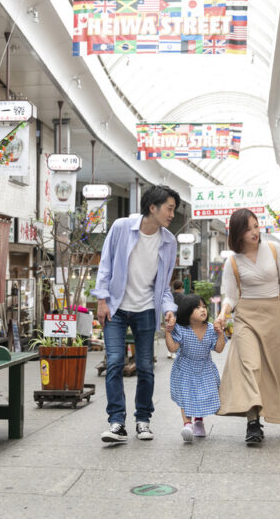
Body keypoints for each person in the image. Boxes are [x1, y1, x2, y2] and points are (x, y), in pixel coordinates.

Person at [91, 185, 180, 443]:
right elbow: (105, 264)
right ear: (152, 207)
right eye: (169, 208)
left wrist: (169, 309)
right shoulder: (121, 227)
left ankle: (143, 420)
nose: (172, 214)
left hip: (145, 310)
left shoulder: (169, 241)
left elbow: (163, 285)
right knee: (115, 361)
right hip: (116, 309)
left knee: (145, 367)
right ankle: (117, 422)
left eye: (174, 209)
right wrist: (102, 300)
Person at [214, 208, 280, 445]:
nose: (254, 232)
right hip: (245, 317)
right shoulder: (233, 262)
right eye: (248, 229)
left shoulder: (274, 250)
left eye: (256, 226)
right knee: (250, 366)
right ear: (238, 233)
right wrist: (223, 314)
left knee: (270, 370)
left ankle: (263, 415)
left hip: (273, 316)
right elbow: (231, 296)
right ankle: (253, 422)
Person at [165, 294, 226, 443]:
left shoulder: (211, 329)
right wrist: (168, 332)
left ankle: (198, 422)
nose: (202, 310)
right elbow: (172, 348)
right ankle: (187, 424)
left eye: (204, 307)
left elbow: (219, 349)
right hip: (185, 368)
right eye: (197, 307)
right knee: (187, 396)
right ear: (187, 312)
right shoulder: (182, 329)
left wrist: (220, 334)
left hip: (205, 367)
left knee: (202, 395)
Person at [168, 280, 185, 359]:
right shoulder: (182, 296)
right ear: (181, 287)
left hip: (169, 317)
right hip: (178, 318)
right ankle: (175, 352)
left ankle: (169, 352)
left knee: (170, 334)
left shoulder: (170, 295)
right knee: (177, 335)